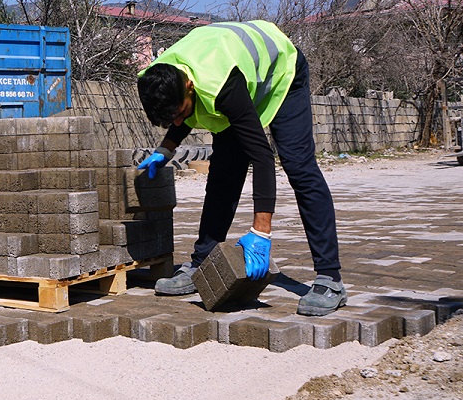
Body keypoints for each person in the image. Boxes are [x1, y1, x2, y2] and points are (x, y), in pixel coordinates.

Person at [135, 19, 347, 316]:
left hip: (281, 71)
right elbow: (179, 111)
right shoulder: (154, 76)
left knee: (299, 166)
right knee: (223, 173)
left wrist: (261, 232)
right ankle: (202, 262)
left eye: (182, 112)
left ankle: (330, 279)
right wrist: (164, 149)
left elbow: (262, 156)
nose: (180, 122)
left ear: (189, 86)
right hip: (239, 75)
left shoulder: (217, 83)